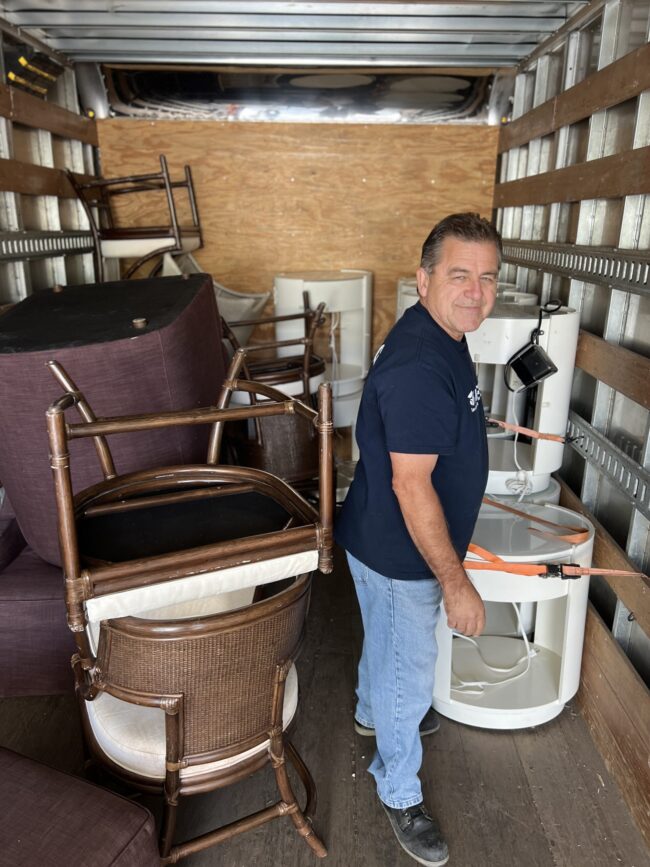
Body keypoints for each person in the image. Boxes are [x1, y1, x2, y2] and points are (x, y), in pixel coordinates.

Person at [335, 212, 501, 867]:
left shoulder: (440, 332)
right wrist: (456, 582)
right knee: (409, 668)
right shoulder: (419, 364)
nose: (476, 292)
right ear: (424, 278)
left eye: (487, 278)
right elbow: (411, 484)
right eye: (460, 275)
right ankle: (399, 790)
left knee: (388, 644)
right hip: (402, 554)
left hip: (381, 537)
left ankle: (371, 712)